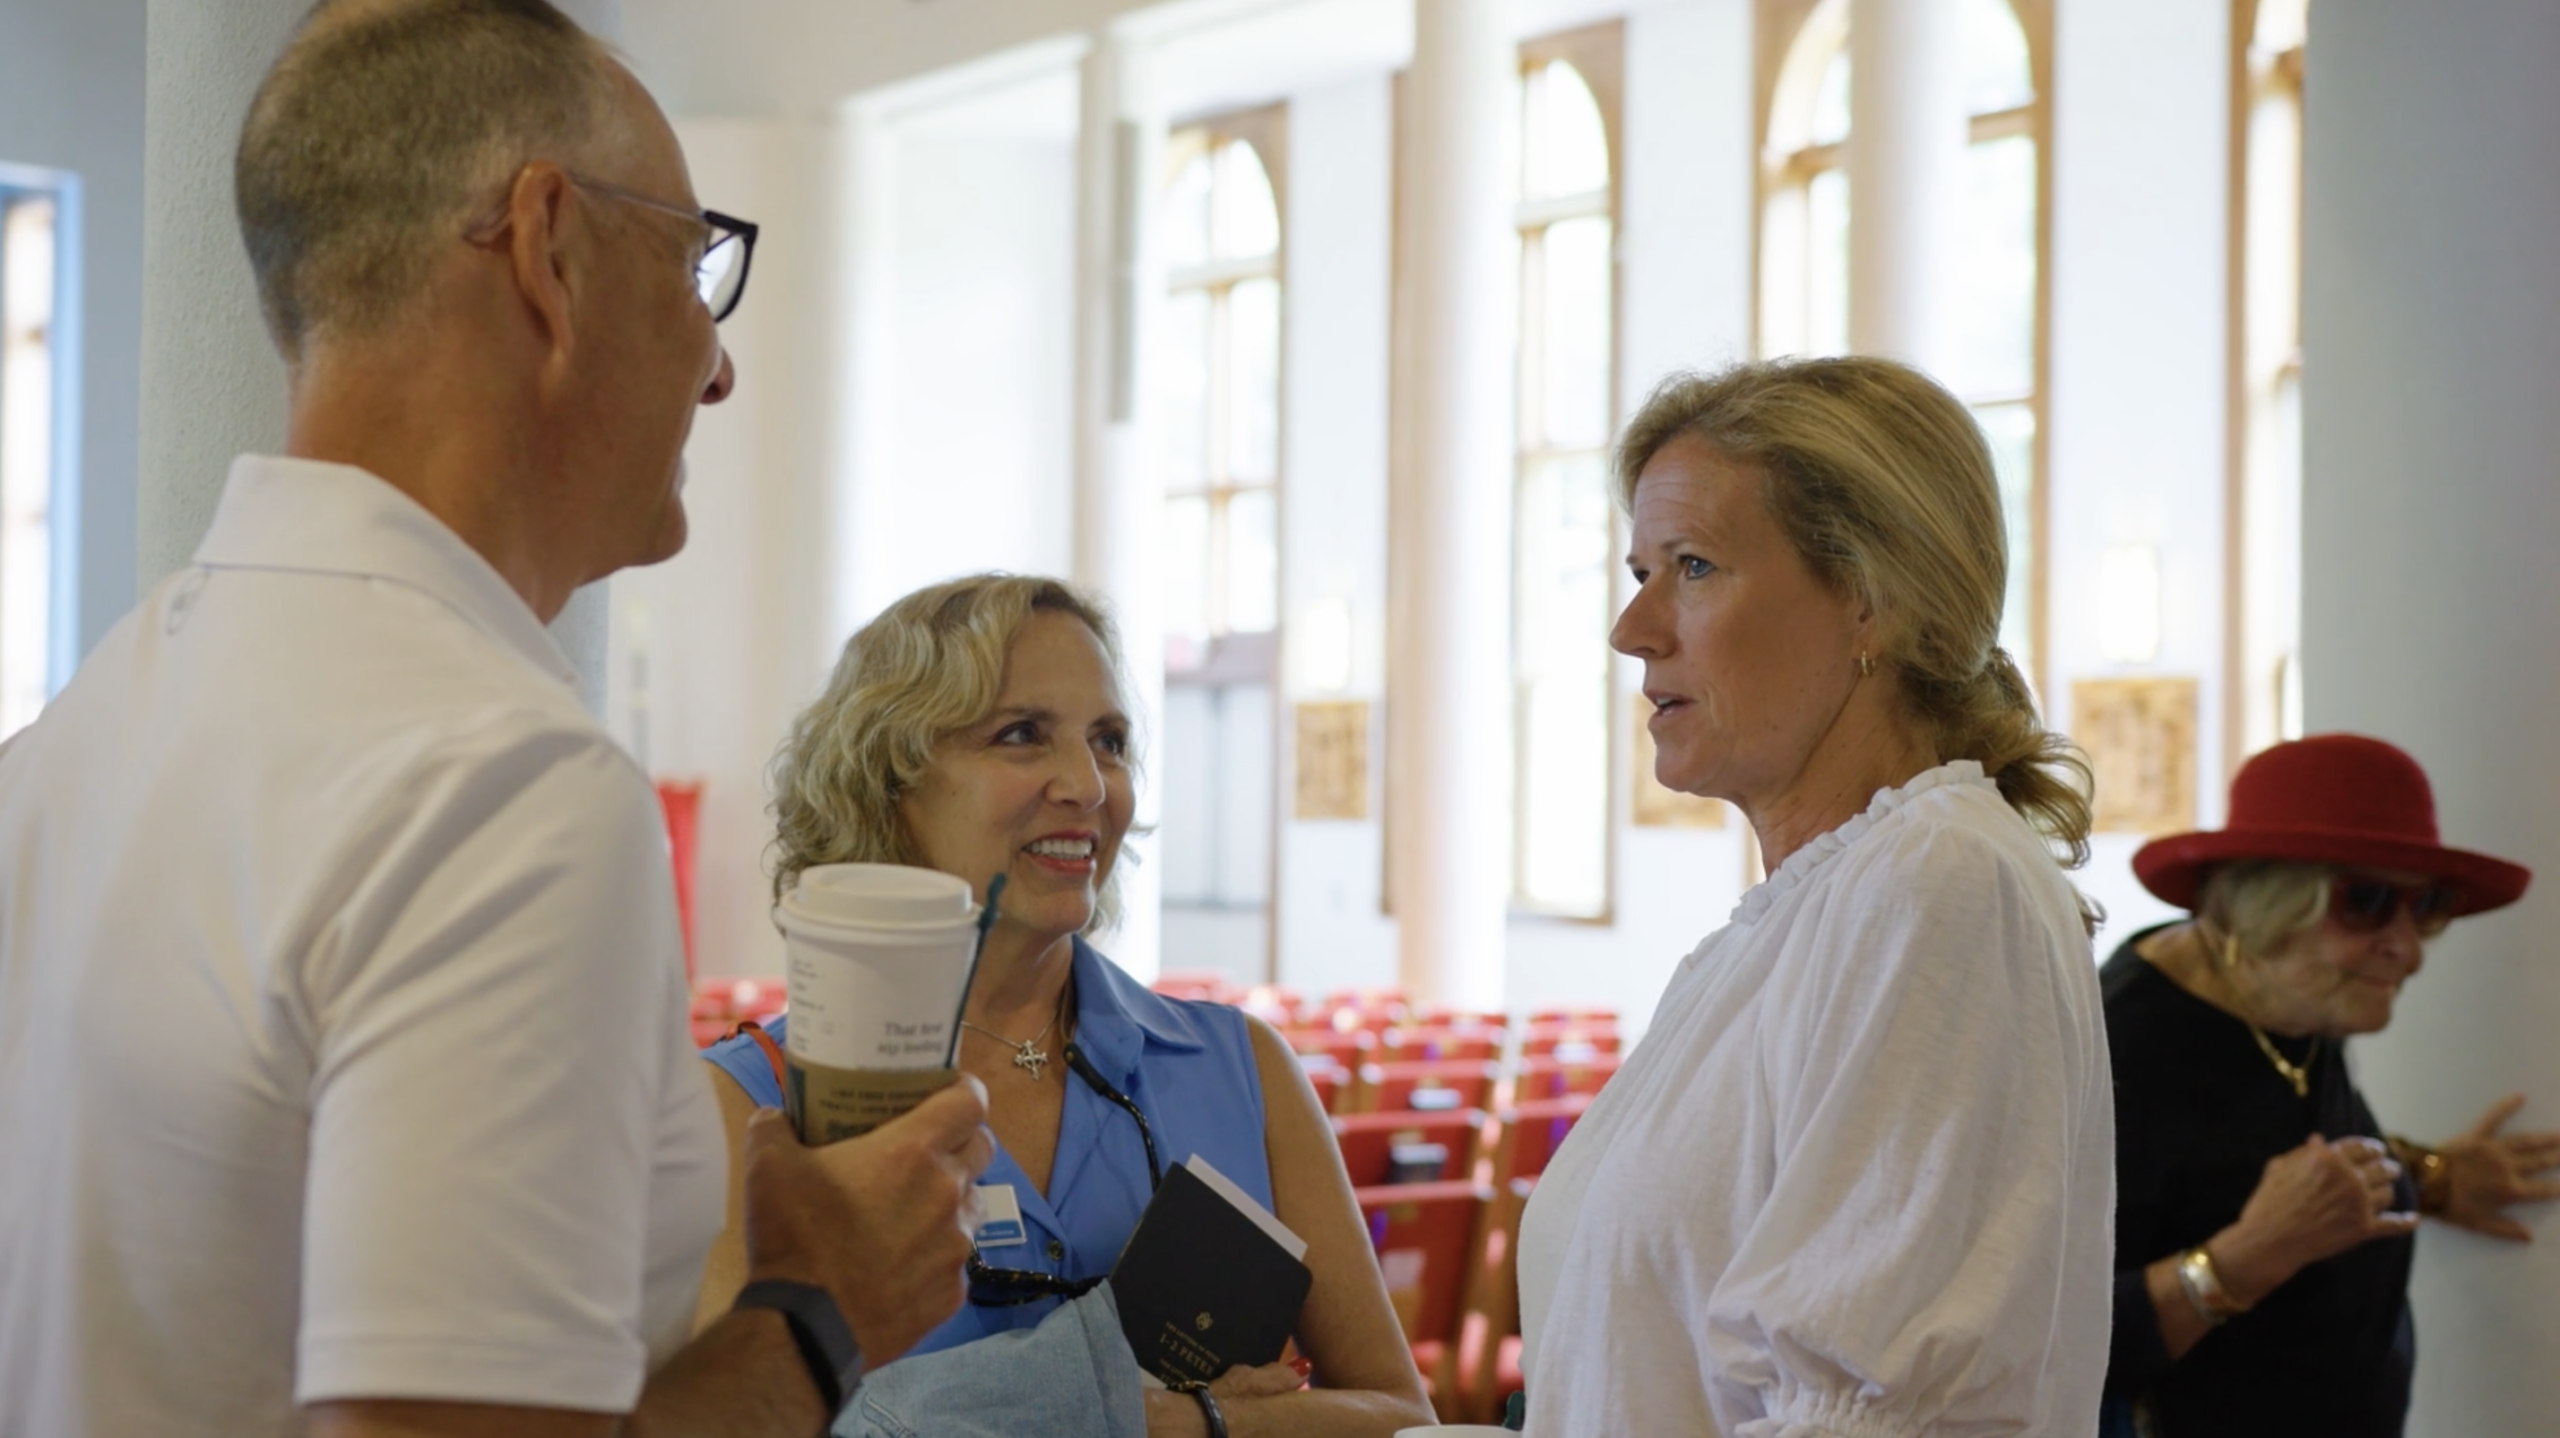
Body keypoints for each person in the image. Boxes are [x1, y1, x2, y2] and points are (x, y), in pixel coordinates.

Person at [0, 4, 990, 1437]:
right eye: (694, 259)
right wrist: (822, 1312)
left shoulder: (80, 731)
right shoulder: (497, 782)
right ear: (549, 246)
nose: (718, 366)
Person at [1515, 356, 2115, 1435]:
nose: (1631, 627)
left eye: (1691, 566)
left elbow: (1877, 1410)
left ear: (1872, 601)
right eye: (1638, 568)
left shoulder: (1936, 884)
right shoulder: (1801, 919)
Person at [698, 574, 1433, 1438]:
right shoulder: (752, 1107)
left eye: (1110, 741)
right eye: (1021, 735)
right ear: (887, 777)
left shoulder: (1244, 1070)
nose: (1087, 784)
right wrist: (1162, 1422)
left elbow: (1399, 1418)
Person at [2101, 732, 2560, 1438]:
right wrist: (2242, 1261)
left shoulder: (2289, 989)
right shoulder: (2117, 1051)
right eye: (2368, 900)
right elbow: (2051, 1347)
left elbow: (2266, 1154)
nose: (2408, 950)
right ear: (2262, 902)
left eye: (2427, 904)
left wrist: (2426, 1176)